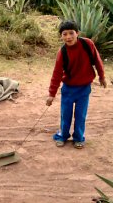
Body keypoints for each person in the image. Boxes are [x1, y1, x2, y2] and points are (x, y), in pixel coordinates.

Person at [46, 20, 107, 149]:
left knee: (80, 115)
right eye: (64, 34)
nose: (68, 37)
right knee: (65, 114)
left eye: (71, 33)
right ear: (61, 36)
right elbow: (56, 73)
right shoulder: (62, 52)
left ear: (77, 33)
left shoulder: (87, 44)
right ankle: (62, 136)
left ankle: (79, 138)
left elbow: (97, 60)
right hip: (68, 88)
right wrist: (52, 94)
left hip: (84, 88)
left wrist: (102, 76)